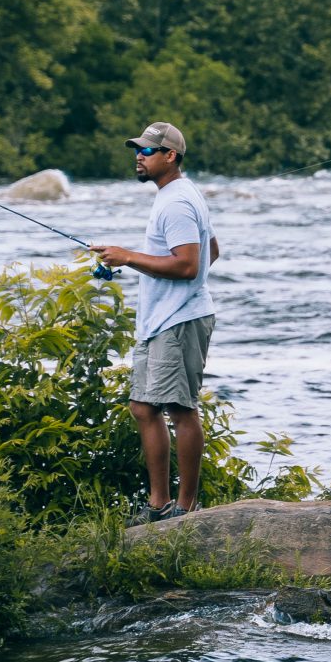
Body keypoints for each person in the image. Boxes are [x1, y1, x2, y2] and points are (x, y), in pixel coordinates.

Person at [90, 121, 220, 521]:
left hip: (178, 321)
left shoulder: (177, 202)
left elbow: (187, 264)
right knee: (143, 408)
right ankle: (158, 505)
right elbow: (210, 252)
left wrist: (129, 257)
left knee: (181, 410)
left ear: (170, 156)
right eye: (138, 149)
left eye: (147, 151)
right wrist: (145, 263)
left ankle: (185, 509)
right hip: (161, 319)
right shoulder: (177, 194)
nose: (139, 156)